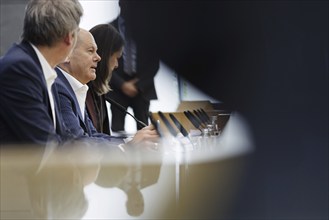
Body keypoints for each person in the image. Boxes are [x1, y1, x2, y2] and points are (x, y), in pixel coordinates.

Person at [54, 28, 159, 148]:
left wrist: (131, 140)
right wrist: (129, 146)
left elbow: (93, 135)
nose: (98, 58)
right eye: (90, 51)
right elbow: (78, 143)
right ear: (68, 54)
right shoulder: (59, 87)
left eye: (97, 51)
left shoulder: (75, 88)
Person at [0, 0, 83, 146]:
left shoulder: (38, 67)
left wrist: (121, 147)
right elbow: (45, 146)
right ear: (69, 37)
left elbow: (63, 138)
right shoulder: (20, 69)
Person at [107, 0, 160, 133]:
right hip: (117, 88)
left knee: (144, 128)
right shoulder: (108, 30)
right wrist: (122, 85)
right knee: (117, 130)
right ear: (120, 4)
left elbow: (154, 63)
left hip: (142, 88)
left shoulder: (149, 30)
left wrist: (138, 83)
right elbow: (103, 62)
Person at [86, 23, 124, 135]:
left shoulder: (97, 91)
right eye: (116, 57)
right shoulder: (82, 90)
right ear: (105, 55)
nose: (116, 65)